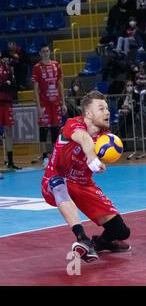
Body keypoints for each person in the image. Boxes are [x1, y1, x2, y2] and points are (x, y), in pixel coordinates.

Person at [41, 91, 131, 262]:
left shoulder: (105, 135)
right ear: (88, 113)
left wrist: (100, 162)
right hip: (56, 180)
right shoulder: (73, 124)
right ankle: (83, 240)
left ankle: (101, 243)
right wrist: (91, 156)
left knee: (121, 231)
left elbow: (103, 150)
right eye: (101, 108)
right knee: (57, 183)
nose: (107, 112)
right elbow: (84, 139)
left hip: (84, 185)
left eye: (107, 108)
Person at [32, 44, 66, 167]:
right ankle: (45, 157)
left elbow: (60, 84)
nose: (46, 53)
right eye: (43, 51)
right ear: (40, 53)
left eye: (47, 51)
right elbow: (35, 89)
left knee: (56, 129)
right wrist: (38, 106)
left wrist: (63, 103)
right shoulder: (37, 67)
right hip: (44, 103)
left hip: (56, 102)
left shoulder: (56, 65)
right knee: (43, 129)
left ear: (49, 52)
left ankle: (56, 156)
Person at [0, 55, 21, 172]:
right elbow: (6, 85)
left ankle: (10, 162)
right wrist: (5, 85)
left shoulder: (7, 68)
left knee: (8, 131)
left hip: (7, 103)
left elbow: (14, 85)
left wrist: (7, 85)